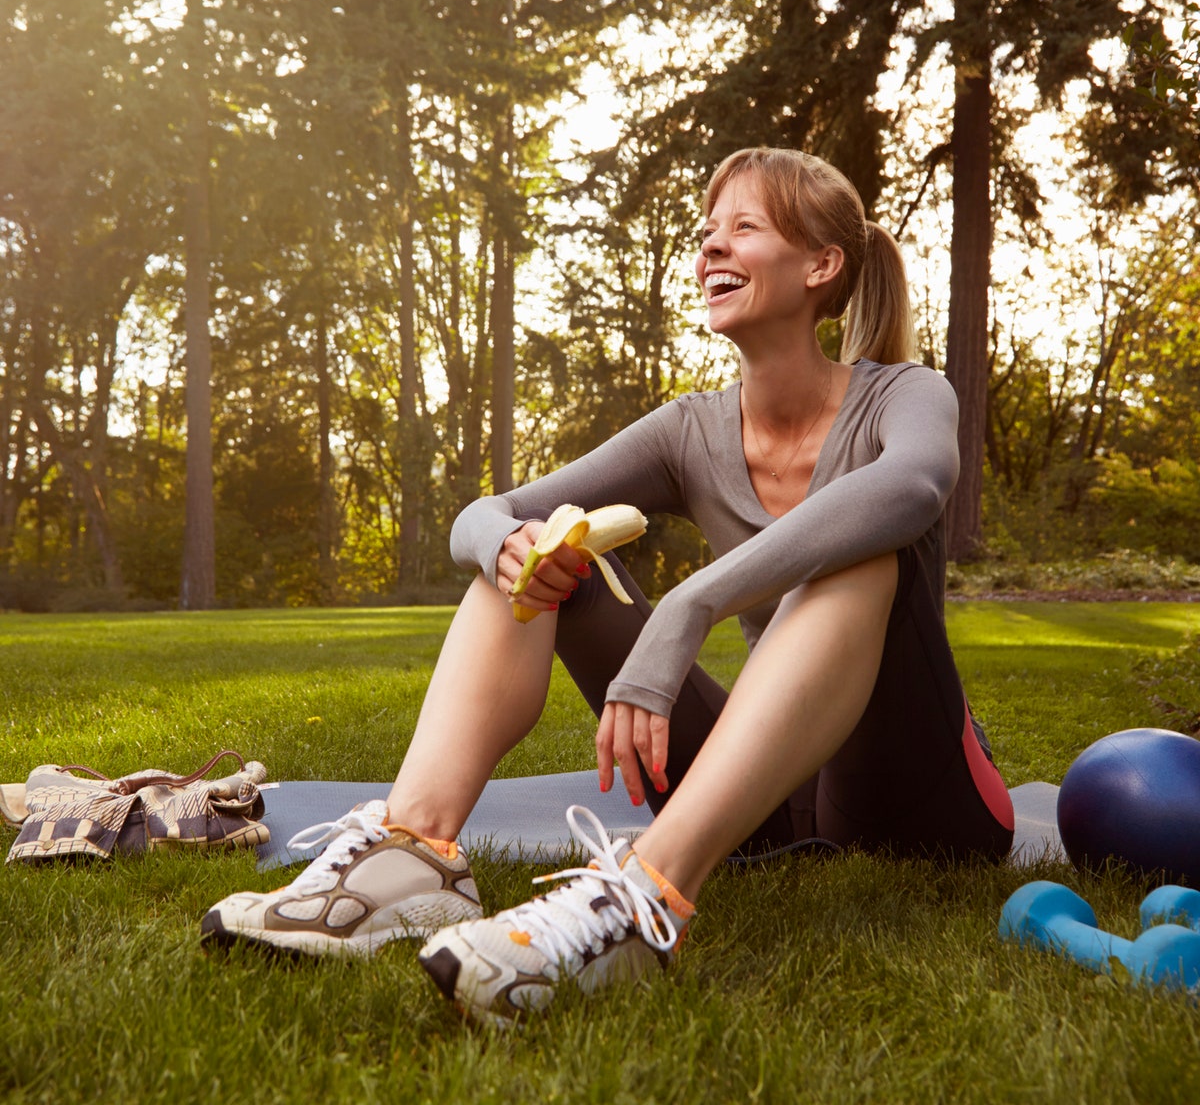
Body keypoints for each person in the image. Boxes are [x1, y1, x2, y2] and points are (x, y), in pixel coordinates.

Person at [201, 147, 1015, 1024]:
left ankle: (645, 899)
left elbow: (915, 488)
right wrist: (510, 543)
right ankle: (413, 853)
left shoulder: (906, 395)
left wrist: (690, 604)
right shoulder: (689, 428)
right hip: (763, 803)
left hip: (916, 798)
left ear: (822, 266)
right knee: (534, 549)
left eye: (743, 228)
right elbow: (482, 514)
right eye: (707, 235)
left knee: (860, 556)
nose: (710, 250)